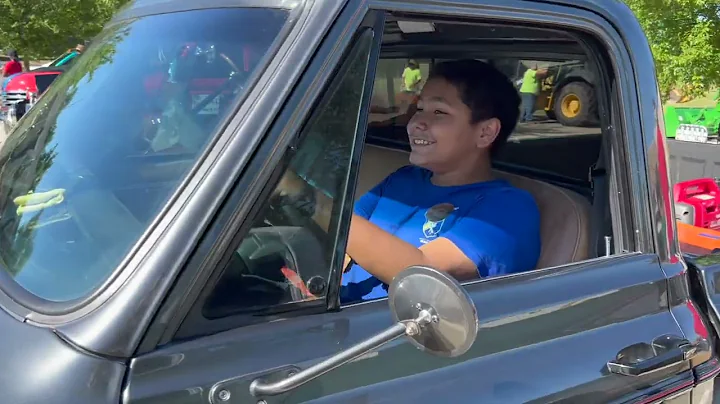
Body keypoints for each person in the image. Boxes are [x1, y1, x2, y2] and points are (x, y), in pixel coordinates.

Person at [278, 59, 542, 303]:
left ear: (485, 132)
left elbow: (423, 272)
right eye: (419, 108)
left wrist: (305, 196)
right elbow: (343, 238)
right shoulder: (403, 180)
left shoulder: (507, 208)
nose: (416, 122)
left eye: (439, 112)